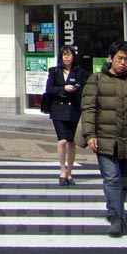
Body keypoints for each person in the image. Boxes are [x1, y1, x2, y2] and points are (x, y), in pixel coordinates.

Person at [80, 40, 127, 238]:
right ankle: (116, 218)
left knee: (123, 180)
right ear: (110, 58)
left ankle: (117, 212)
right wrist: (90, 135)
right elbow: (89, 109)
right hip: (104, 139)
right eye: (120, 58)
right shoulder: (96, 80)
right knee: (112, 179)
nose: (123, 63)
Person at [44, 46, 87, 186]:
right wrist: (64, 88)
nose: (66, 57)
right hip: (58, 110)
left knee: (71, 142)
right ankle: (62, 171)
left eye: (69, 55)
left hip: (74, 109)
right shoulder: (55, 71)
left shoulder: (79, 72)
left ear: (73, 57)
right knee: (62, 141)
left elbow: (84, 89)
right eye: (64, 55)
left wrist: (75, 89)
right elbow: (49, 90)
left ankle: (70, 172)